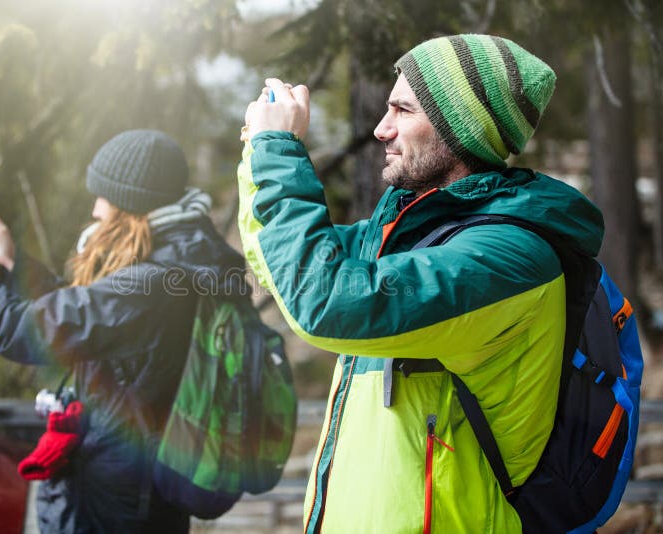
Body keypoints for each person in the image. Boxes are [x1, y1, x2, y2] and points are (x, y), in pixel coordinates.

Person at [237, 35, 604, 533]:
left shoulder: (508, 259)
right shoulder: (414, 238)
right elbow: (280, 266)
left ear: (461, 129)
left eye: (403, 110)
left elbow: (322, 300)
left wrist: (277, 149)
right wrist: (256, 155)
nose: (380, 128)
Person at [0, 129, 246, 533]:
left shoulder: (148, 287)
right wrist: (15, 262)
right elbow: (93, 322)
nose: (96, 209)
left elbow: (19, 330)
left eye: (104, 196)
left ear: (132, 206)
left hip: (110, 509)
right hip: (142, 498)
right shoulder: (185, 261)